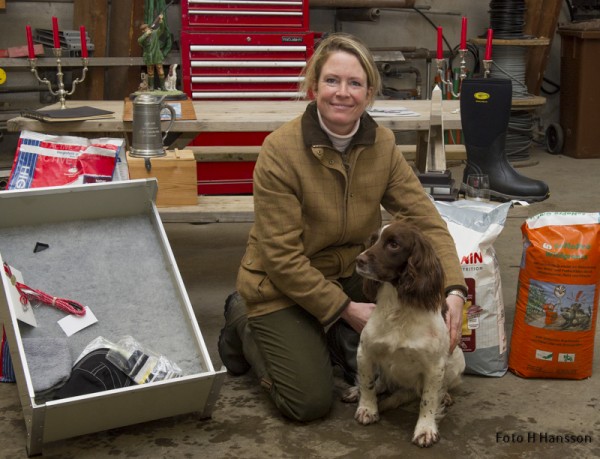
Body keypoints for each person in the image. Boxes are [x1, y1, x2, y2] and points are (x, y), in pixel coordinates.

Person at [218, 32, 467, 423]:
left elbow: (425, 221)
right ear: (314, 86)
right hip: (282, 282)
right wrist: (344, 310)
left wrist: (453, 289)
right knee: (309, 402)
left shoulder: (382, 144)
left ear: (369, 94)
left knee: (382, 362)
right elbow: (281, 258)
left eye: (355, 83)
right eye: (332, 80)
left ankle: (326, 331)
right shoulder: (279, 151)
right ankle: (242, 322)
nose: (342, 93)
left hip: (353, 271)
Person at [137, 14, 167, 91]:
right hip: (149, 56)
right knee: (150, 71)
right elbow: (139, 41)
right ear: (143, 31)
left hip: (156, 55)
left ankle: (163, 87)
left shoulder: (154, 33)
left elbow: (162, 29)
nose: (146, 30)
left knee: (160, 70)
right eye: (145, 30)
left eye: (147, 29)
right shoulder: (143, 38)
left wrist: (160, 21)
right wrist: (146, 35)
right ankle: (151, 87)